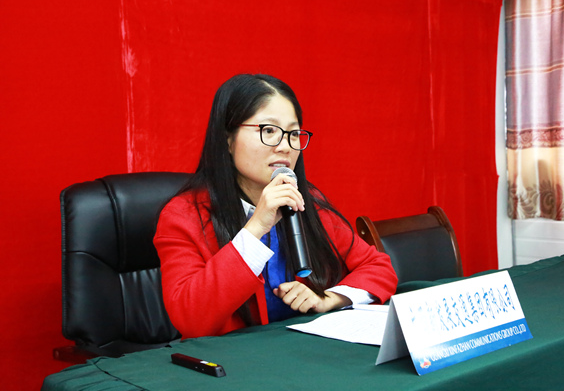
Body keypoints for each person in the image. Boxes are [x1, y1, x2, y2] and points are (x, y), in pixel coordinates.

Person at [154, 74, 397, 339]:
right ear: (227, 139)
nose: (285, 147)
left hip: (301, 353)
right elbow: (190, 319)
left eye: (293, 133)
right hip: (232, 360)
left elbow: (379, 268)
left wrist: (329, 298)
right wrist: (256, 227)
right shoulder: (183, 216)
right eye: (269, 131)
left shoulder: (306, 200)